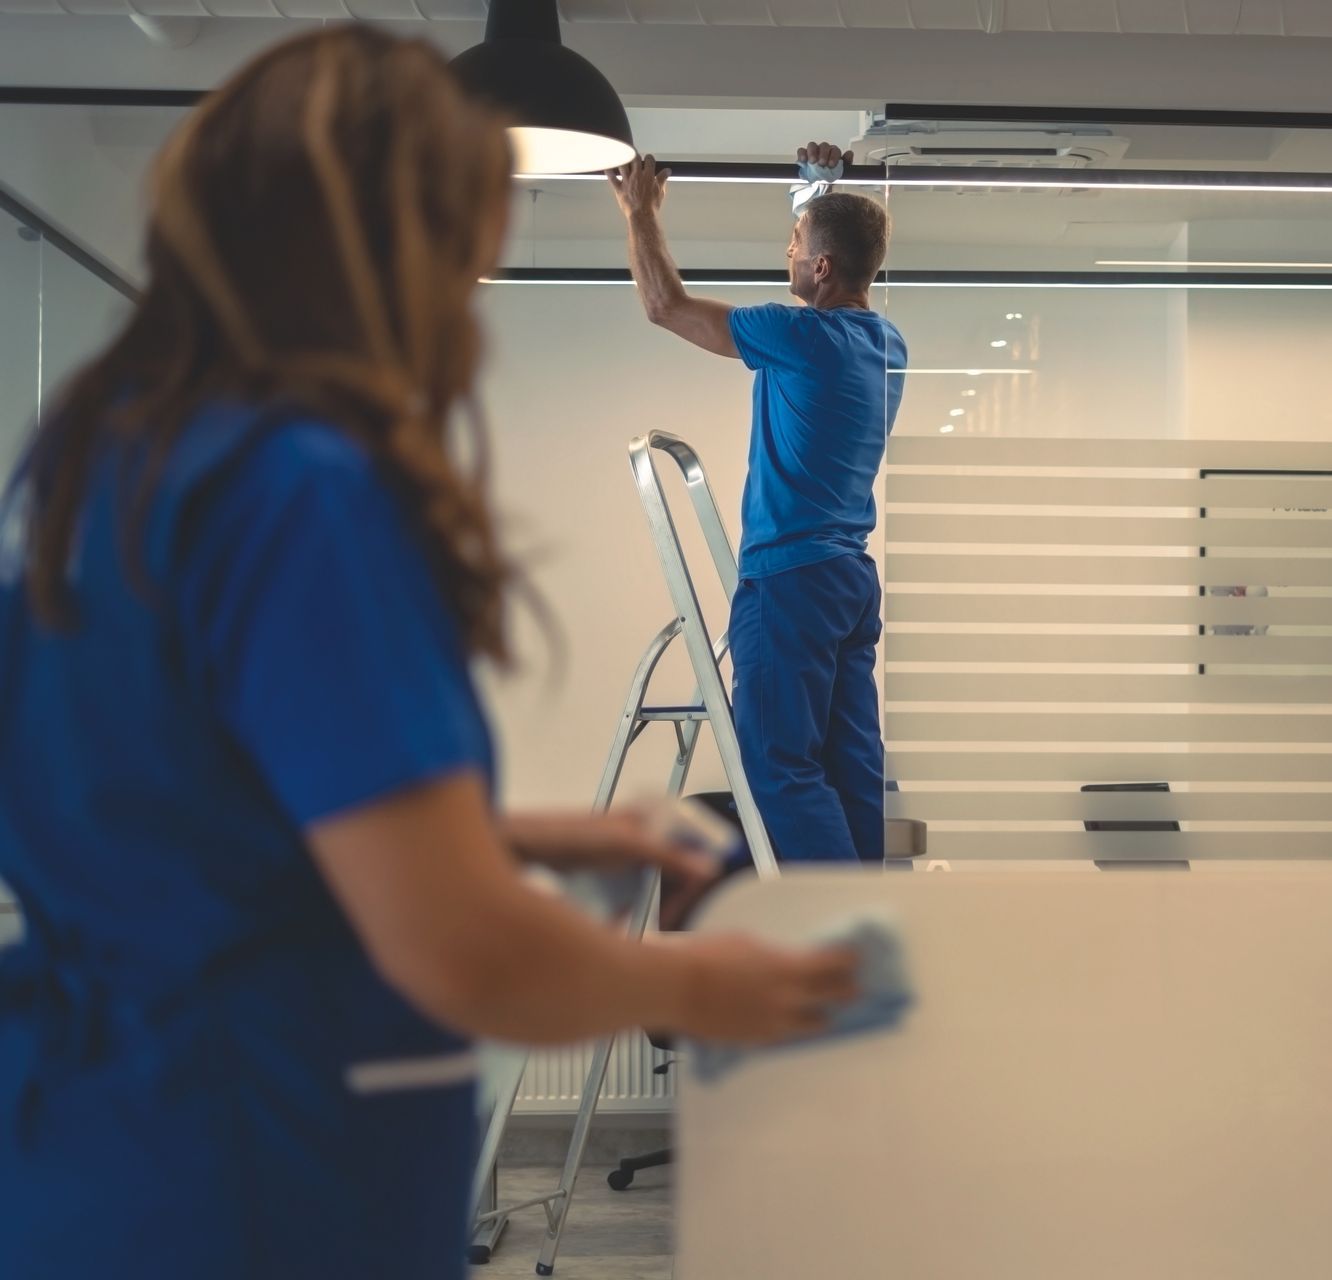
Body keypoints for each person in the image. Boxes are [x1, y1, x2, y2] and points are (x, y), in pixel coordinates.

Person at [0, 29, 858, 1280]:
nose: (469, 280)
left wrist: (529, 839)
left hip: (90, 1161)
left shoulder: (99, 459)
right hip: (265, 1185)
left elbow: (196, 833)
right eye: (462, 238)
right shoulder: (303, 490)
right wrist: (710, 987)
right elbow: (463, 949)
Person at [608, 143, 908, 866]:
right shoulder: (884, 343)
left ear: (822, 268)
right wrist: (815, 194)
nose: (788, 253)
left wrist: (641, 213)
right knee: (851, 769)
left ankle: (839, 942)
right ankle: (879, 928)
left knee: (779, 769)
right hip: (846, 582)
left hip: (791, 579)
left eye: (795, 246)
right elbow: (830, 247)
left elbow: (664, 305)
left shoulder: (798, 336)